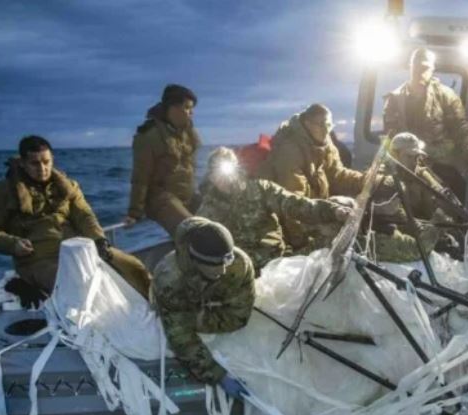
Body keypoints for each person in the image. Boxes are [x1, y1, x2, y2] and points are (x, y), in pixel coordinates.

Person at [0, 135, 151, 302]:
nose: (42, 168)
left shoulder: (68, 187)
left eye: (46, 162)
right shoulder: (0, 193)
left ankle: (157, 309)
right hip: (37, 258)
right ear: (22, 163)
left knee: (134, 267)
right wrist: (12, 243)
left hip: (78, 248)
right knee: (75, 285)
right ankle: (23, 283)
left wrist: (99, 240)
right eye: (34, 163)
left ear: (52, 159)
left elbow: (84, 215)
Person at [196, 147, 351, 271]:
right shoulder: (208, 207)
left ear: (236, 170)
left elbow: (296, 204)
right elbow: (196, 237)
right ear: (210, 177)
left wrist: (333, 211)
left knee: (334, 237)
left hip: (276, 263)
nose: (222, 179)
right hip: (240, 273)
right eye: (215, 173)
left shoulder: (261, 189)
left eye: (225, 172)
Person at [151, 217, 254, 385]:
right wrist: (218, 375)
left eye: (226, 260)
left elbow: (238, 317)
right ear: (196, 260)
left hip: (202, 307)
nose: (223, 270)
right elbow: (181, 336)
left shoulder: (239, 264)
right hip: (177, 305)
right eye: (214, 264)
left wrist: (199, 317)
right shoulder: (169, 280)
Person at [257, 103, 366, 252]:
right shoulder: (289, 151)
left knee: (350, 209)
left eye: (328, 124)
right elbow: (293, 202)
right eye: (320, 124)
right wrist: (303, 244)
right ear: (307, 124)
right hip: (290, 223)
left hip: (312, 211)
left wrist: (367, 180)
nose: (326, 129)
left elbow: (338, 174)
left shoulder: (325, 144)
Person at [382, 47, 468, 202]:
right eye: (417, 66)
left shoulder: (446, 96)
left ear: (433, 69)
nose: (420, 71)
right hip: (408, 166)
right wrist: (386, 163)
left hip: (442, 165)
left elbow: (461, 129)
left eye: (425, 67)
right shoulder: (394, 99)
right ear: (411, 66)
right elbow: (389, 138)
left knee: (453, 208)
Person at [124, 84, 201, 235]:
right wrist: (134, 213)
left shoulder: (188, 132)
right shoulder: (148, 136)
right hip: (161, 199)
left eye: (192, 109)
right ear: (172, 108)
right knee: (194, 231)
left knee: (219, 219)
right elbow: (141, 177)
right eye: (187, 108)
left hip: (186, 195)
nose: (191, 113)